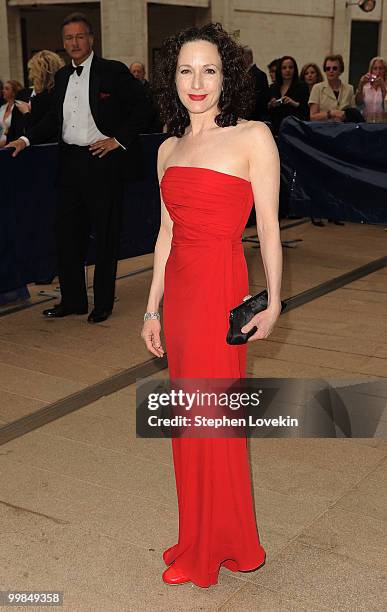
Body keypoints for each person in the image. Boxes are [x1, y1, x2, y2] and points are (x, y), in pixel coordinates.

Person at [141, 23, 282, 588]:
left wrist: (273, 302)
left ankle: (215, 547)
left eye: (209, 70)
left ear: (227, 77)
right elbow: (165, 234)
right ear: (172, 77)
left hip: (222, 288)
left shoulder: (253, 137)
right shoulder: (167, 149)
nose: (196, 83)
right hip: (178, 296)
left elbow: (269, 230)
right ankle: (204, 535)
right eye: (185, 70)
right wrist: (151, 310)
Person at [7, 12, 150, 323]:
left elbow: (144, 106)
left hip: (103, 160)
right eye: (68, 38)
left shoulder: (112, 72)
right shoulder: (61, 77)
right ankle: (73, 301)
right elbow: (52, 121)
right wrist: (25, 140)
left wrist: (117, 140)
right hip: (69, 163)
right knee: (67, 235)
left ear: (91, 39)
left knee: (106, 235)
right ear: (63, 43)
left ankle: (103, 303)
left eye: (79, 36)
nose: (74, 42)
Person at [8, 50, 65, 143]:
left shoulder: (53, 97)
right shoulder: (23, 94)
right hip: (17, 150)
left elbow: (41, 131)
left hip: (43, 150)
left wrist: (26, 113)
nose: (30, 75)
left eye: (32, 70)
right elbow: (13, 129)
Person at [267, 56, 309, 134]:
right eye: (284, 68)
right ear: (279, 70)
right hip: (277, 128)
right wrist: (271, 104)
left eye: (291, 67)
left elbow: (306, 111)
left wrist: (293, 103)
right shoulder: (273, 87)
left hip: (295, 129)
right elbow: (266, 110)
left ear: (295, 69)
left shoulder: (302, 87)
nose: (288, 70)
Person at [309, 54, 356, 122]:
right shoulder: (317, 88)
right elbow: (312, 117)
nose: (331, 71)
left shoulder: (349, 89)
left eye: (334, 68)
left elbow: (353, 114)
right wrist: (331, 113)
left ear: (340, 70)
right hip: (323, 129)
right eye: (328, 68)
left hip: (344, 129)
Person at [130, 60, 163, 133]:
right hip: (131, 132)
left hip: (149, 131)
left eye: (139, 71)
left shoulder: (153, 90)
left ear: (144, 73)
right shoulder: (126, 90)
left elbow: (158, 113)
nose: (136, 74)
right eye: (134, 72)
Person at [355, 56, 386, 122]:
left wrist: (383, 87)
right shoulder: (365, 87)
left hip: (383, 124)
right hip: (367, 123)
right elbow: (358, 103)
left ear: (385, 70)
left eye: (381, 68)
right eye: (375, 68)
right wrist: (361, 84)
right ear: (371, 71)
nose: (378, 71)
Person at [243, 47, 269, 120]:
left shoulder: (259, 75)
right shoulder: (241, 75)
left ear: (249, 57)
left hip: (254, 117)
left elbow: (261, 99)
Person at [0, 80, 25, 146]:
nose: (3, 91)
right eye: (3, 88)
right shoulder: (2, 108)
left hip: (13, 141)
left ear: (14, 92)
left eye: (7, 89)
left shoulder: (20, 106)